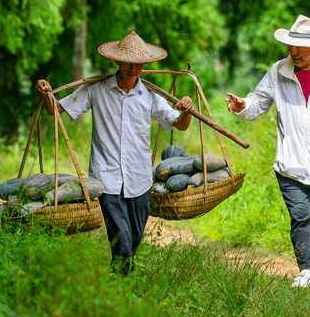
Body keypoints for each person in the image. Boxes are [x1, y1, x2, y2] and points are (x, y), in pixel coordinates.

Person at [36, 31, 194, 276]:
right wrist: (47, 94)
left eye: (139, 64)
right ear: (118, 62)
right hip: (106, 178)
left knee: (135, 236)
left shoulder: (150, 95)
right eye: (128, 63)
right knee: (121, 237)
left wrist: (186, 110)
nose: (133, 69)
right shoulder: (96, 90)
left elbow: (180, 124)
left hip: (139, 179)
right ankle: (121, 287)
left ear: (145, 64)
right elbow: (55, 110)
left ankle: (119, 278)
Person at [225, 15, 310, 292]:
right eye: (290, 45)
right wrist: (243, 104)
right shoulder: (279, 71)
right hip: (290, 163)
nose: (292, 51)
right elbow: (258, 102)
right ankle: (307, 272)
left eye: (299, 46)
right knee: (300, 215)